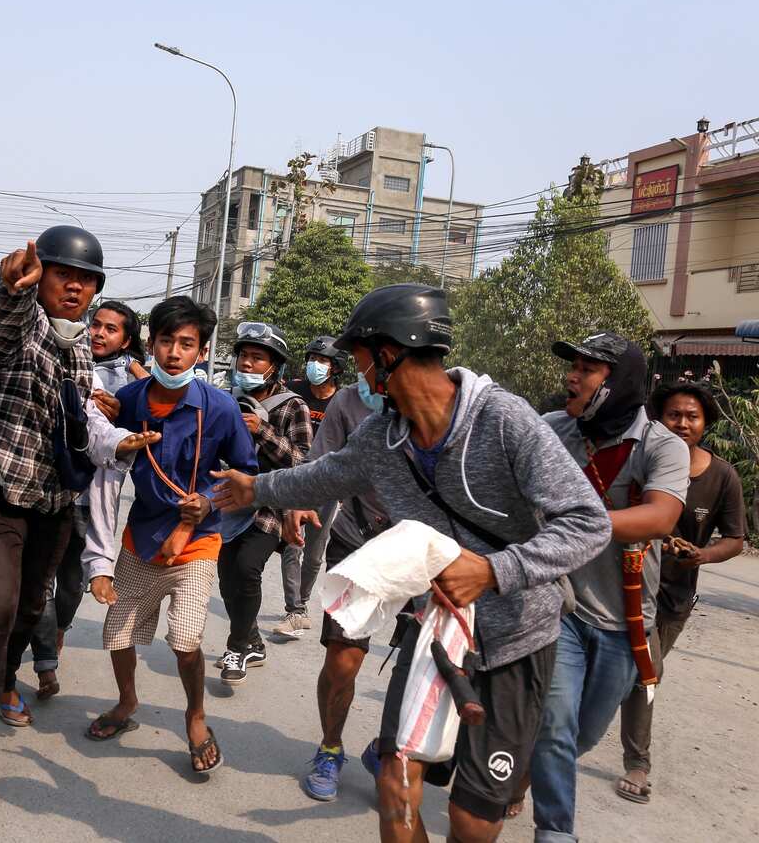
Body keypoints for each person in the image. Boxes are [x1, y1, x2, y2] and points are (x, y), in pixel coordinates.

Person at [211, 284, 612, 842]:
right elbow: (326, 473)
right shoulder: (383, 434)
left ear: (390, 354)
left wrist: (496, 570)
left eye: (359, 360)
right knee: (395, 787)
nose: (357, 376)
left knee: (472, 822)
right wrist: (256, 488)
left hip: (514, 640)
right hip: (433, 633)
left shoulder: (505, 420)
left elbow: (588, 522)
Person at [0, 226, 148, 809]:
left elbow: (80, 421)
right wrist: (10, 289)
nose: (74, 287)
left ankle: (6, 678)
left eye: (86, 280)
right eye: (63, 275)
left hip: (52, 503)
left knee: (30, 608)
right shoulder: (14, 322)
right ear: (41, 275)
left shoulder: (83, 349)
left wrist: (101, 419)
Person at [522, 332, 689, 841]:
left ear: (617, 383)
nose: (572, 376)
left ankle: (527, 767)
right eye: (573, 366)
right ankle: (555, 832)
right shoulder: (551, 430)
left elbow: (661, 515)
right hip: (561, 608)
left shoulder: (663, 447)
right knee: (555, 724)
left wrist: (578, 520)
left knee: (584, 733)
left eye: (587, 369)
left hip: (625, 621)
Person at [84, 295, 257, 776]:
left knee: (185, 639)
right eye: (166, 341)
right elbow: (106, 457)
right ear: (151, 345)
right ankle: (126, 703)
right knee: (116, 632)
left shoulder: (219, 408)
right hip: (142, 537)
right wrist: (104, 417)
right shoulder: (133, 401)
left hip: (199, 542)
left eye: (187, 344)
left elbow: (245, 474)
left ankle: (196, 717)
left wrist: (206, 503)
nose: (175, 353)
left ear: (201, 352)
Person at [9, 298, 148, 702]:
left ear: (126, 340)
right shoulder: (65, 356)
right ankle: (43, 662)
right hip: (47, 487)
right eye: (97, 325)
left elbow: (143, 431)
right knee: (38, 582)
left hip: (91, 496)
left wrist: (118, 415)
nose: (100, 333)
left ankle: (54, 637)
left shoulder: (133, 382)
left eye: (111, 329)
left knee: (71, 582)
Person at [614, 380, 746, 805]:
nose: (683, 423)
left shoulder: (722, 475)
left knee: (638, 673)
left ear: (705, 424)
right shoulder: (641, 458)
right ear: (659, 418)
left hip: (674, 598)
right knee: (643, 669)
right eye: (674, 415)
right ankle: (637, 762)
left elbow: (735, 539)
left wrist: (704, 556)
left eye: (692, 417)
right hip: (627, 583)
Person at [298, 383, 394, 801]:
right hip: (357, 541)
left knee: (428, 671)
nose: (366, 367)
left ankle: (389, 751)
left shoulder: (453, 404)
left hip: (428, 550)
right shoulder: (348, 402)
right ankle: (330, 747)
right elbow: (319, 464)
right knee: (342, 662)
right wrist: (297, 501)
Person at [216, 323, 312, 686]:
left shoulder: (293, 406)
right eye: (244, 356)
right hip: (227, 504)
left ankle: (237, 647)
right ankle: (253, 639)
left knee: (245, 567)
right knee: (227, 580)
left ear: (274, 367)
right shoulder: (226, 398)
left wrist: (263, 431)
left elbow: (303, 464)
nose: (249, 363)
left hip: (269, 506)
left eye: (258, 358)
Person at [273, 335, 346, 639]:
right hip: (297, 479)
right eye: (312, 359)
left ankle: (301, 602)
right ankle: (296, 610)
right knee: (293, 545)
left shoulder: (341, 402)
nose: (315, 365)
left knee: (315, 554)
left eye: (323, 361)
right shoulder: (295, 390)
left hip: (327, 485)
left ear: (335, 368)